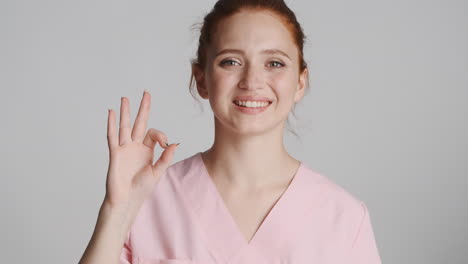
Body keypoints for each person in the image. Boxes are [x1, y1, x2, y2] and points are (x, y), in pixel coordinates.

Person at [79, 0, 382, 263]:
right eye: (231, 62)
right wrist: (117, 211)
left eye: (274, 63)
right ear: (201, 79)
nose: (252, 80)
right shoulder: (145, 199)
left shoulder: (343, 218)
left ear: (300, 82)